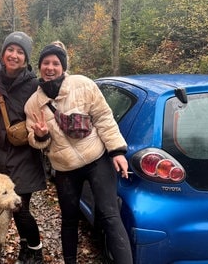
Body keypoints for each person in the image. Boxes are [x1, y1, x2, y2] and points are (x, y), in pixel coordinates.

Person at [24, 44, 133, 264]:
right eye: (46, 63)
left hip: (96, 159)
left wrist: (117, 151)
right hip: (65, 169)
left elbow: (104, 117)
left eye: (56, 63)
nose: (50, 68)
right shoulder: (33, 104)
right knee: (69, 220)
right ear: (39, 67)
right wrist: (41, 136)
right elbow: (35, 142)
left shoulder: (83, 85)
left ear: (63, 67)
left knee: (110, 216)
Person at [0, 31, 46, 264]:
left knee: (20, 208)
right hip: (1, 155)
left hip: (25, 154)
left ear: (26, 58)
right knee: (15, 209)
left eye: (20, 52)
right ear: (3, 53)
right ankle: (25, 247)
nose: (14, 55)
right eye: (10, 50)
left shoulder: (35, 85)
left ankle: (36, 249)